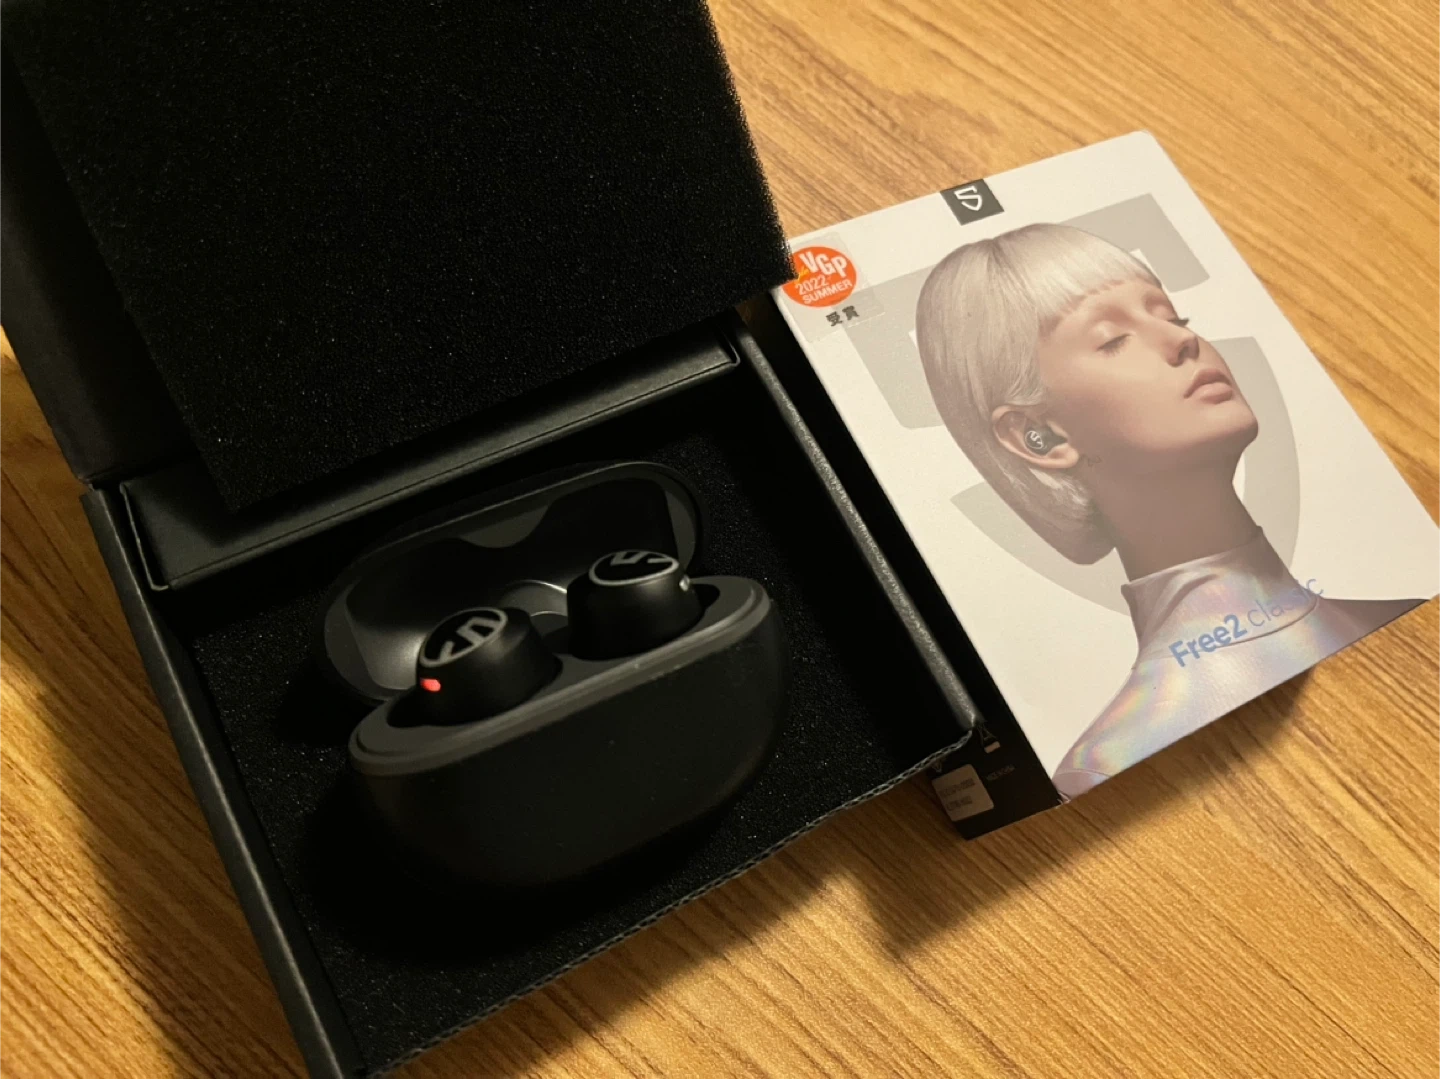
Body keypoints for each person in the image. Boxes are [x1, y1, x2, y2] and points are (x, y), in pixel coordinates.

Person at [915, 223, 1419, 798]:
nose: (1182, 340)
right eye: (1112, 339)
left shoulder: (1407, 621)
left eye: (1175, 317)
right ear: (1038, 435)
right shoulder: (1105, 765)